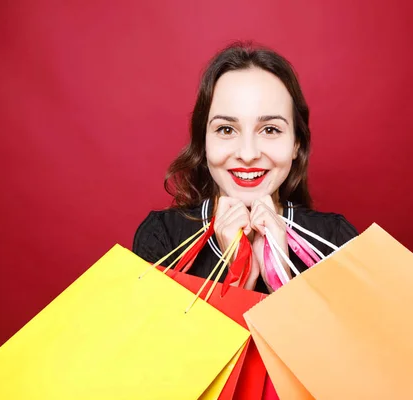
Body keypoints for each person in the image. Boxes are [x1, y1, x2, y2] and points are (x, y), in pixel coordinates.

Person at [133, 42, 357, 293]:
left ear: (296, 144)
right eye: (226, 129)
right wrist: (239, 282)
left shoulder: (335, 241)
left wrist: (281, 281)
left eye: (270, 129)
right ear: (203, 141)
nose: (248, 154)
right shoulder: (164, 238)